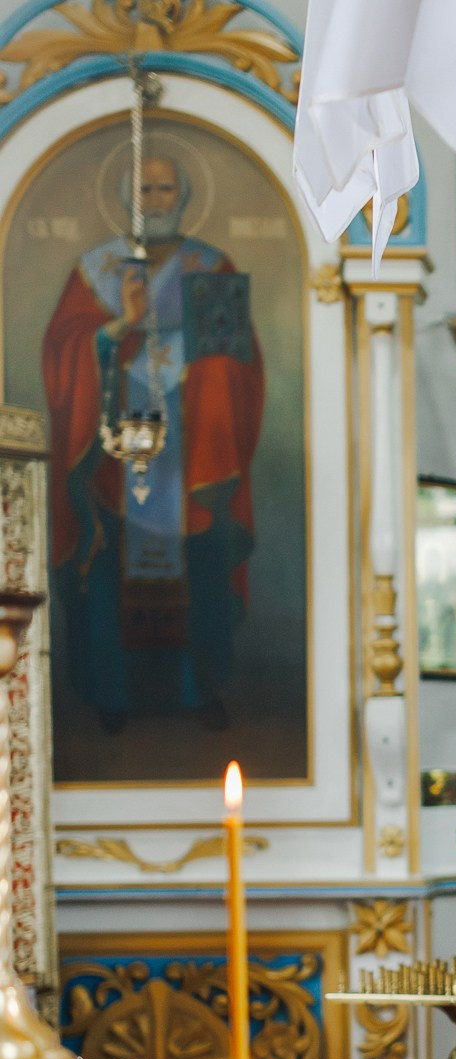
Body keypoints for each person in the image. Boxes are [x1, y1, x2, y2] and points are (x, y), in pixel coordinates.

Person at [42, 153, 261, 734]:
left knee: (198, 574)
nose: (156, 199)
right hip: (113, 458)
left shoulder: (210, 268)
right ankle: (112, 693)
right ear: (127, 197)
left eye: (166, 188)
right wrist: (118, 325)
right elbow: (63, 353)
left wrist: (209, 380)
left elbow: (238, 364)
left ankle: (198, 690)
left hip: (191, 464)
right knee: (111, 573)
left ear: (183, 198)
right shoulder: (97, 270)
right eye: (146, 188)